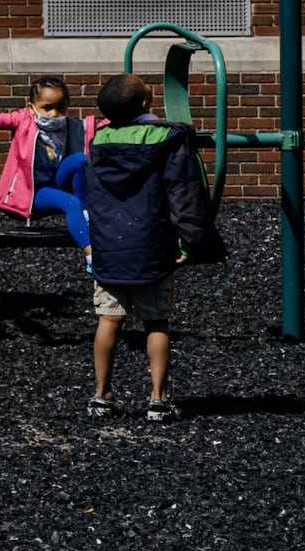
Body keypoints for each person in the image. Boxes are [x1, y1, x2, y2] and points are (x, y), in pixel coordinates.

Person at [78, 74, 212, 423]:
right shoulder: (169, 137)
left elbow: (93, 193)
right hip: (153, 244)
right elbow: (182, 192)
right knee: (156, 321)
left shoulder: (99, 139)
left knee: (108, 319)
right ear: (145, 105)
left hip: (110, 245)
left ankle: (102, 395)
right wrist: (191, 239)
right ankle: (159, 398)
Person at [0, 73, 99, 257]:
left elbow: (103, 126)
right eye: (47, 108)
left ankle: (87, 216)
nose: (55, 114)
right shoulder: (23, 120)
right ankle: (91, 254)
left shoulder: (71, 125)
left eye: (61, 108)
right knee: (71, 203)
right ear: (31, 107)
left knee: (79, 159)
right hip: (33, 192)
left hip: (56, 181)